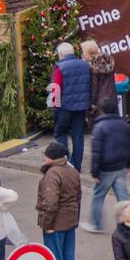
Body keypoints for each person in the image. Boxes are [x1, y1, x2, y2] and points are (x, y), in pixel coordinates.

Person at [37, 141, 81, 260]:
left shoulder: (52, 174)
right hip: (70, 221)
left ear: (51, 157)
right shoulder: (73, 171)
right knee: (68, 256)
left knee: (55, 259)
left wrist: (47, 224)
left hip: (55, 223)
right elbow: (78, 197)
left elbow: (51, 203)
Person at [84, 97, 130, 233]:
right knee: (123, 197)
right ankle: (129, 225)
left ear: (101, 110)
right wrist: (128, 165)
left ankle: (96, 224)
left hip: (105, 169)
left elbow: (96, 152)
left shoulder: (99, 127)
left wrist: (95, 172)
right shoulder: (124, 125)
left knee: (98, 196)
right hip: (121, 166)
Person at [51, 42, 90, 171]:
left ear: (61, 54)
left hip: (65, 106)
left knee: (60, 132)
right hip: (81, 106)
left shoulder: (60, 67)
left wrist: (54, 105)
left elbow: (56, 88)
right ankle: (76, 166)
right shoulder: (84, 65)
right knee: (78, 135)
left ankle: (66, 162)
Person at [82, 39, 118, 125]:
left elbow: (94, 87)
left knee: (102, 126)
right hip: (112, 96)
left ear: (89, 53)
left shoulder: (93, 67)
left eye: (83, 52)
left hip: (100, 101)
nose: (83, 54)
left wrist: (92, 104)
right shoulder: (108, 60)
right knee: (112, 123)